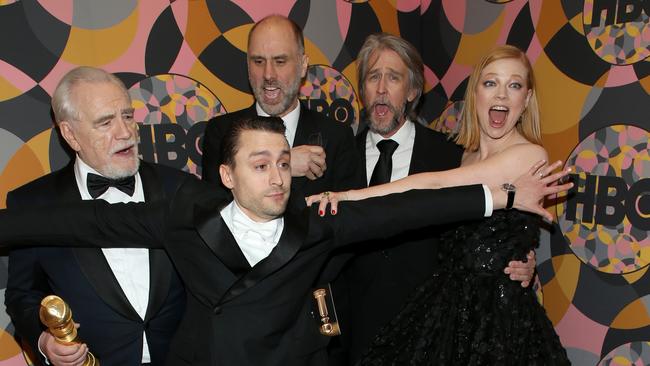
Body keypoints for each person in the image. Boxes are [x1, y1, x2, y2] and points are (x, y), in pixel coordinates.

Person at [0, 116, 570, 366]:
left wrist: (500, 198)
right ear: (226, 176)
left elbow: (406, 209)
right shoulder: (182, 215)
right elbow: (80, 223)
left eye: (282, 163)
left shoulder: (315, 225)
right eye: (260, 164)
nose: (277, 177)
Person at [310, 45, 571, 365]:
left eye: (514, 85)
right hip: (435, 316)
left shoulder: (514, 156)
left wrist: (350, 197)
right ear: (476, 92)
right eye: (491, 83)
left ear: (526, 98)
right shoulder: (463, 156)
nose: (502, 95)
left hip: (496, 323)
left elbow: (433, 185)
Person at [4, 67, 187, 365]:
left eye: (127, 116)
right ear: (71, 135)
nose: (126, 132)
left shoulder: (180, 188)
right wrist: (44, 340)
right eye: (105, 122)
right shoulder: (34, 205)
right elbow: (22, 295)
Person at [201, 14, 359, 195]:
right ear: (248, 66)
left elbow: (348, 218)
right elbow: (216, 211)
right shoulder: (222, 132)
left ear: (303, 65)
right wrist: (285, 163)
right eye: (258, 61)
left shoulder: (337, 137)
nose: (268, 74)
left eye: (280, 61)